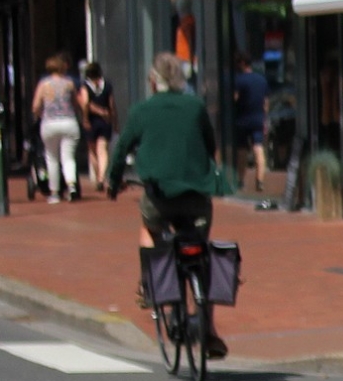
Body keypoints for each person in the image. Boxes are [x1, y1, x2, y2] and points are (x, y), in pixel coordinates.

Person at [107, 52, 229, 357]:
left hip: (160, 197)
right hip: (197, 198)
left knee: (149, 227)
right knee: (204, 254)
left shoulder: (142, 111)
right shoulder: (195, 107)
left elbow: (121, 149)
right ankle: (210, 330)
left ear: (153, 81)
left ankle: (150, 284)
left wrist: (113, 181)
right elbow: (210, 144)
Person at [32, 53, 83, 202]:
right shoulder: (69, 83)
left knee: (52, 158)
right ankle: (72, 186)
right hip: (69, 122)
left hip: (50, 123)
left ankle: (54, 192)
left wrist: (41, 115)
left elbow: (35, 106)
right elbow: (76, 103)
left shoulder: (43, 84)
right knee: (68, 157)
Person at [230, 53, 270, 193]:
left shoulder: (239, 80)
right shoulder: (261, 80)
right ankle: (260, 181)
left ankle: (240, 180)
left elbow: (234, 99)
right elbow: (266, 103)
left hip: (242, 119)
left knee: (242, 150)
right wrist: (265, 118)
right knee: (258, 148)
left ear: (241, 63)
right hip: (258, 118)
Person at [78, 60, 114, 190]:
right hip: (105, 121)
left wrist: (85, 118)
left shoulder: (85, 86)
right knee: (103, 150)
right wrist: (114, 120)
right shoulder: (107, 85)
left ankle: (98, 175)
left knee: (93, 151)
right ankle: (102, 177)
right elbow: (111, 105)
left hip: (92, 121)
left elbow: (85, 103)